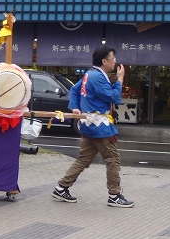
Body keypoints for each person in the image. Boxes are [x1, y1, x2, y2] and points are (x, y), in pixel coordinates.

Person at [52, 45, 134, 208]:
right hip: (100, 125)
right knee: (112, 159)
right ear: (104, 61)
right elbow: (114, 97)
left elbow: (74, 90)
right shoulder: (97, 77)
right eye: (113, 59)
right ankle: (114, 195)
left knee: (83, 159)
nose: (115, 62)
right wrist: (120, 80)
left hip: (88, 124)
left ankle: (61, 187)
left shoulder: (90, 74)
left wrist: (75, 106)